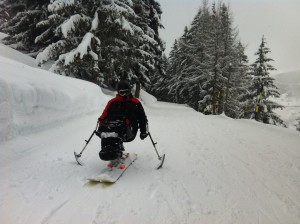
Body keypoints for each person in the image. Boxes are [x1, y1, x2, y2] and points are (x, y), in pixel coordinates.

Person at [96, 80, 148, 163]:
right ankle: (108, 150)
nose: (124, 95)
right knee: (107, 131)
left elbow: (142, 118)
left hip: (130, 130)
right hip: (114, 127)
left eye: (126, 92)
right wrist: (100, 128)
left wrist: (143, 131)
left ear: (129, 91)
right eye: (121, 92)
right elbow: (103, 116)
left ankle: (115, 150)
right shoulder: (112, 102)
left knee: (119, 130)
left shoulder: (135, 102)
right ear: (118, 92)